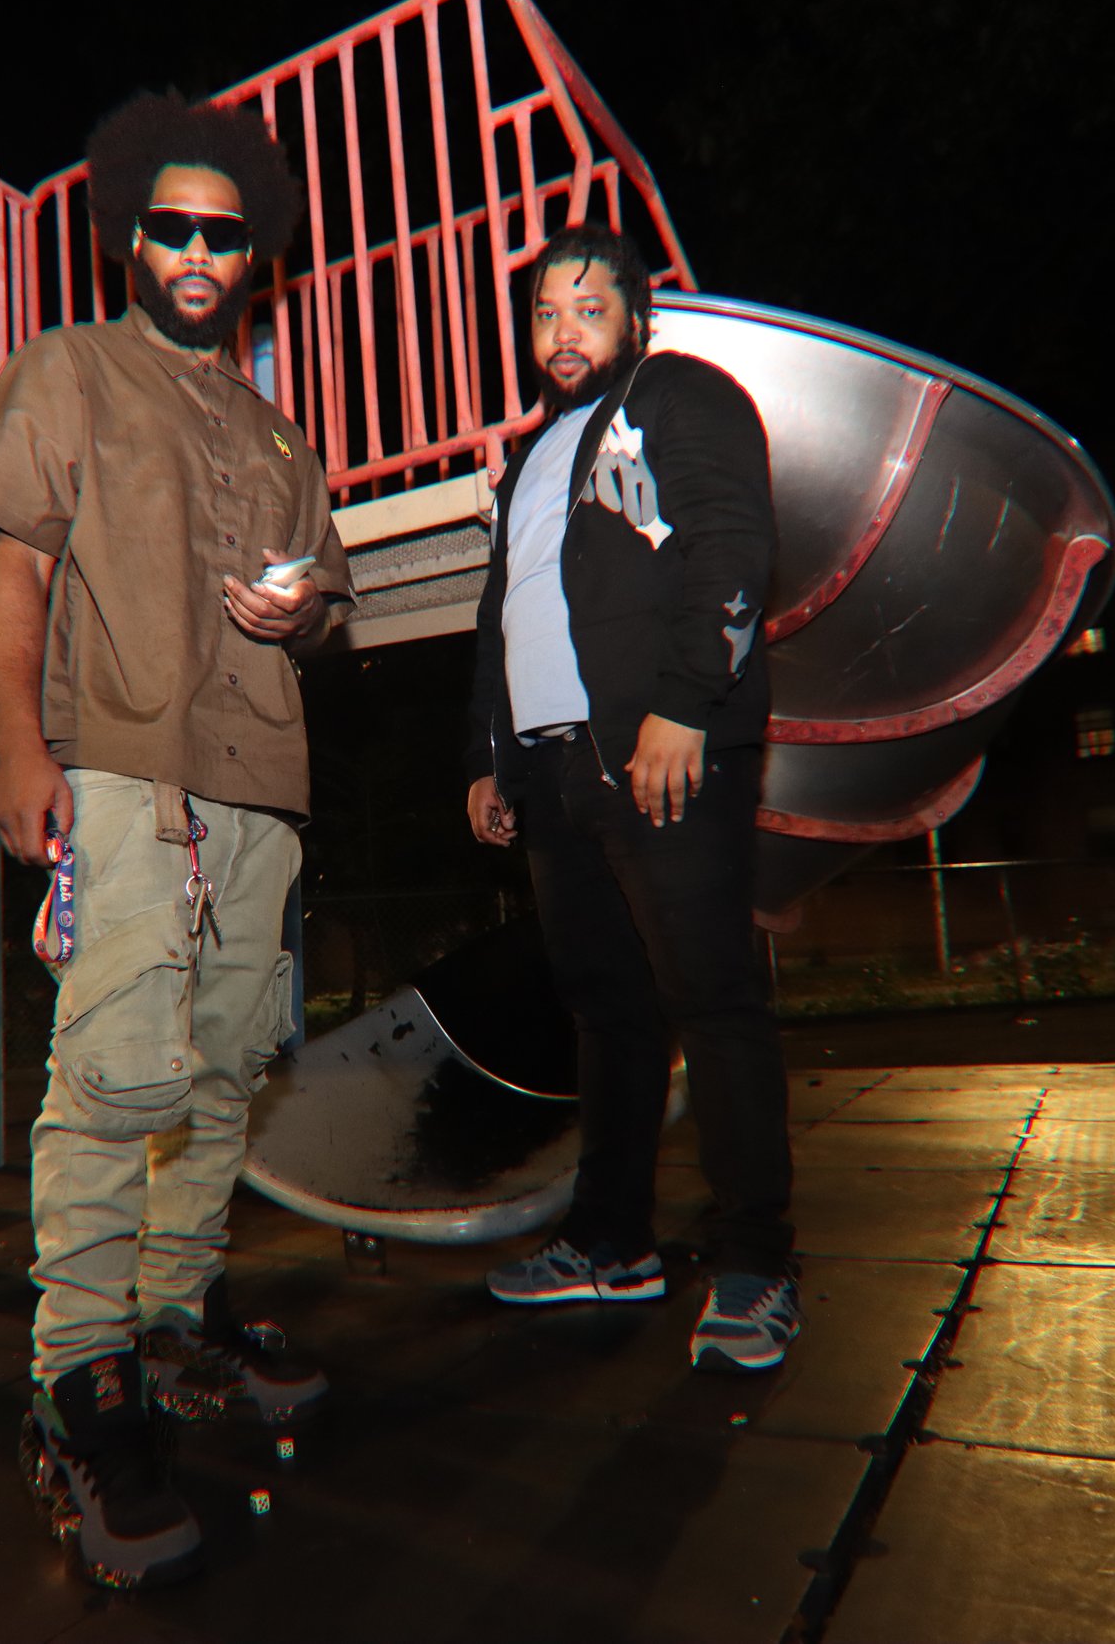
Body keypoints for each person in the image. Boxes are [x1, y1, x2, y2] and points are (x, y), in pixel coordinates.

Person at [0, 90, 353, 1589]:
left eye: (223, 236)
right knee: (118, 1073)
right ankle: (79, 1376)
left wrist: (303, 610)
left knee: (227, 1064)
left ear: (253, 261)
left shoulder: (279, 433)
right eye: (172, 227)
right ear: (132, 241)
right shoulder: (67, 369)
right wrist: (19, 746)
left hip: (261, 783)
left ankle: (176, 1318)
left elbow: (332, 610)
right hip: (121, 765)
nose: (197, 251)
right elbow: (12, 572)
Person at [463, 224, 797, 1373]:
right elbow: (501, 614)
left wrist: (687, 705)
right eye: (544, 313)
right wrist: (488, 756)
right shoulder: (531, 456)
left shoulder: (679, 396)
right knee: (607, 1009)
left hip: (662, 750)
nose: (563, 331)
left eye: (588, 308)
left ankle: (757, 1263)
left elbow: (734, 547)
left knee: (712, 999)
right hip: (558, 768)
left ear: (635, 318)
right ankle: (611, 1242)